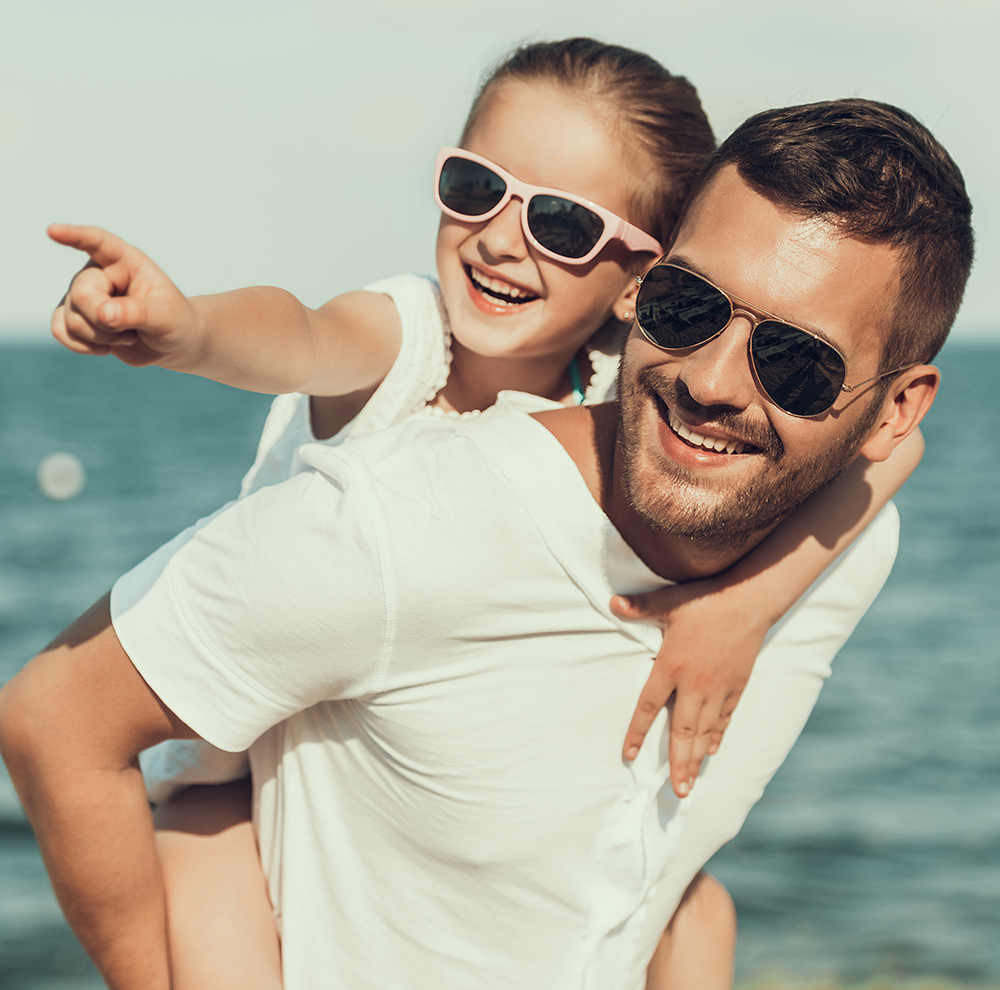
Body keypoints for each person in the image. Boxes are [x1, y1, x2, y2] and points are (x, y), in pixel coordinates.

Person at [1, 97, 972, 990]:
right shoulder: (404, 518)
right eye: (691, 307)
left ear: (891, 409)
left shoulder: (844, 547)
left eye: (796, 363)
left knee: (692, 904)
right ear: (644, 289)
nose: (713, 380)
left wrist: (743, 606)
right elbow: (54, 717)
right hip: (218, 800)